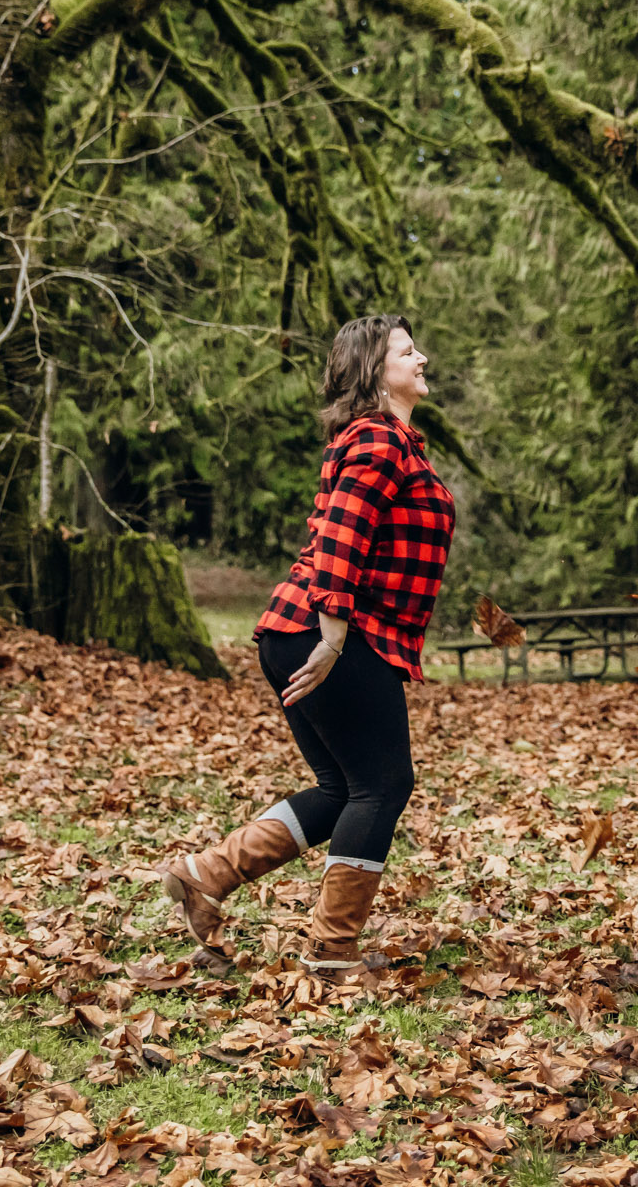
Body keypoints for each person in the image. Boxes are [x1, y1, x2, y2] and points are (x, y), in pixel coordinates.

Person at [162, 315, 455, 977]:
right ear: (374, 368)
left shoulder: (391, 441)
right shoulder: (380, 441)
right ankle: (330, 951)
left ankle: (204, 875)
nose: (424, 358)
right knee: (382, 784)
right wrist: (331, 636)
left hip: (308, 630)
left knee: (343, 786)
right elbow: (341, 539)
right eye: (409, 351)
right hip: (330, 633)